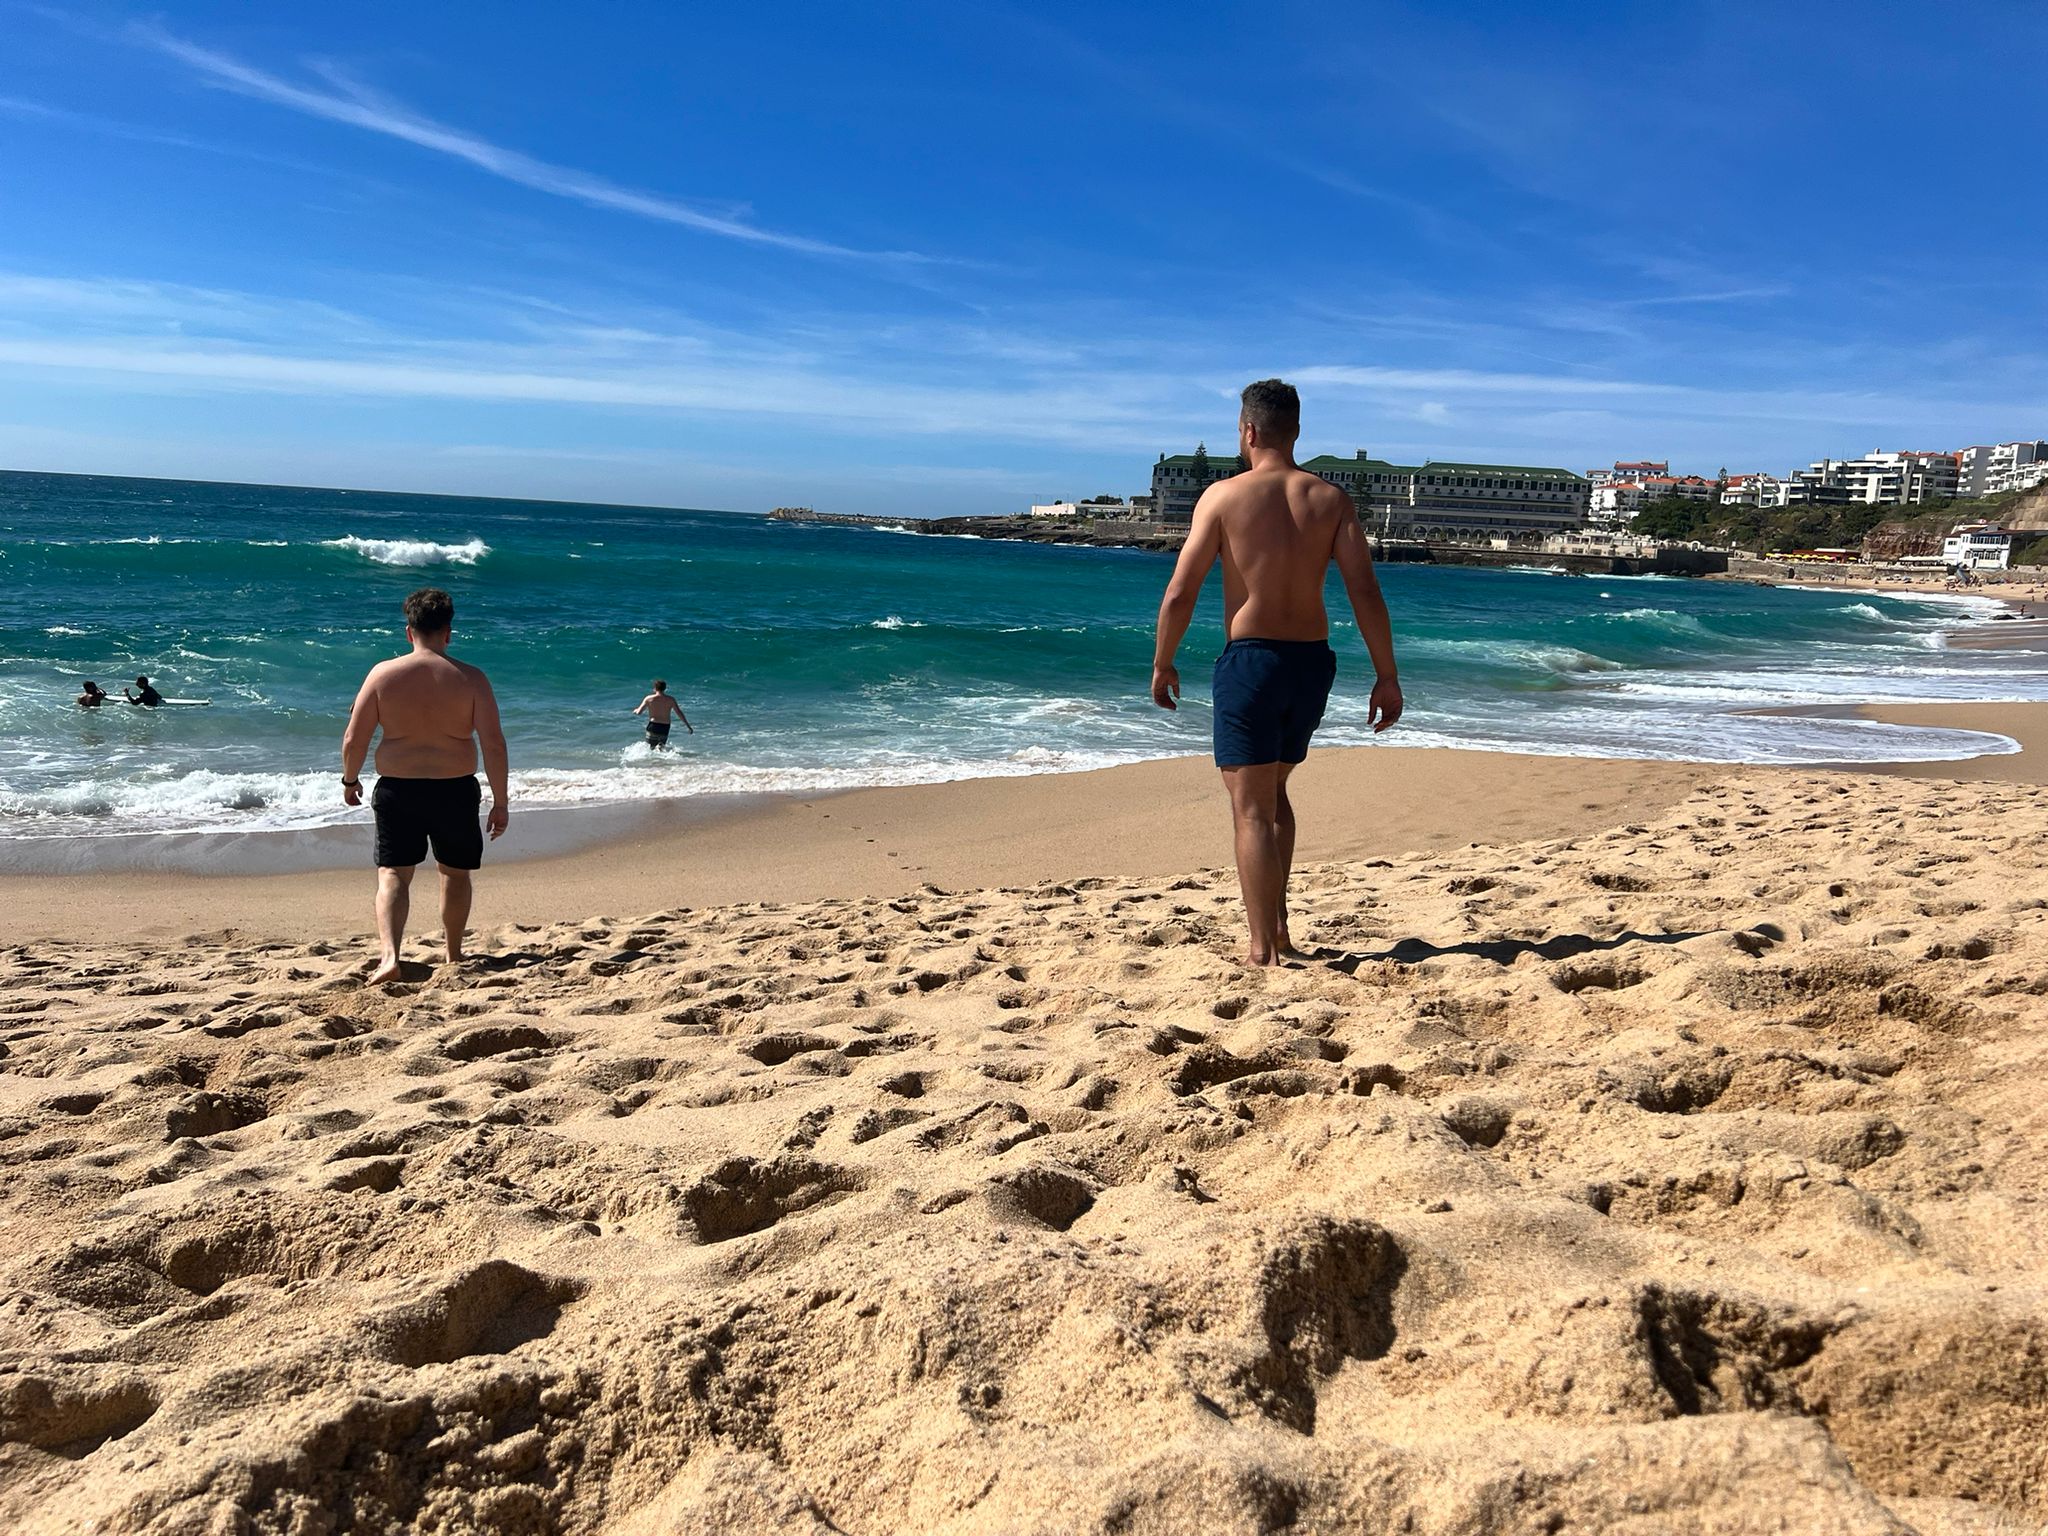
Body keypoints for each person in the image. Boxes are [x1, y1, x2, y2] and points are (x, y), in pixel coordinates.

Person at [1151, 378, 1402, 966]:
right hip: (1312, 663)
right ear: (1296, 431)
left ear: (1248, 431)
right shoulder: (1330, 499)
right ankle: (1281, 931)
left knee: (1250, 808)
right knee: (1275, 792)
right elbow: (1365, 591)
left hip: (1253, 662)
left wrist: (1164, 661)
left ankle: (1263, 949)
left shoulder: (1223, 497)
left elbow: (1181, 591)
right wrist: (1386, 675)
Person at [340, 587, 509, 984]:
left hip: (399, 789)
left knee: (393, 874)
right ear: (448, 633)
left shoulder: (382, 675)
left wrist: (350, 779)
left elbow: (354, 738)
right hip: (455, 789)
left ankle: (390, 957)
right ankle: (453, 954)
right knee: (455, 874)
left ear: (408, 631)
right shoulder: (471, 679)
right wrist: (500, 802)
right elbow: (494, 744)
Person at [633, 679, 693, 749]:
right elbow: (679, 713)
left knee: (650, 749)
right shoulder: (671, 700)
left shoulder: (649, 699)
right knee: (661, 749)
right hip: (665, 727)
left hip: (653, 726)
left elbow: (639, 712)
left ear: (655, 688)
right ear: (665, 688)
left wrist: (635, 710)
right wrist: (688, 726)